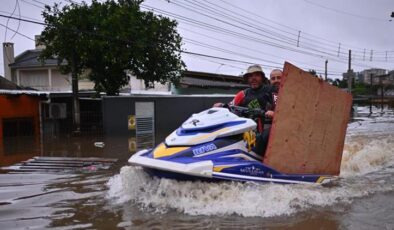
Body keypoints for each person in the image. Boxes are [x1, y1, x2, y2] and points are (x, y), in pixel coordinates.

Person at [214, 64, 274, 156]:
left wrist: (273, 113)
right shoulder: (243, 94)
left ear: (262, 77)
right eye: (250, 76)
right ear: (247, 79)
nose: (253, 78)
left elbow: (283, 109)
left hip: (269, 133)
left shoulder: (271, 90)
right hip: (249, 134)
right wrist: (221, 105)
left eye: (256, 75)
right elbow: (230, 106)